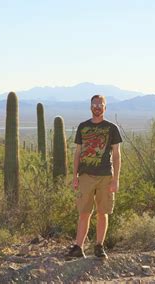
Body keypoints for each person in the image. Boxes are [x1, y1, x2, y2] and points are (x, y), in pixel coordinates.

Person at [65, 94, 122, 259]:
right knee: (84, 212)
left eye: (100, 104)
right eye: (94, 104)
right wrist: (75, 176)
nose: (97, 107)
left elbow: (117, 155)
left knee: (102, 212)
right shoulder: (83, 127)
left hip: (105, 176)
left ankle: (99, 246)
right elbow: (77, 153)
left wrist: (116, 179)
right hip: (85, 176)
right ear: (90, 107)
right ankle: (78, 247)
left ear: (105, 107)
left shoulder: (112, 128)